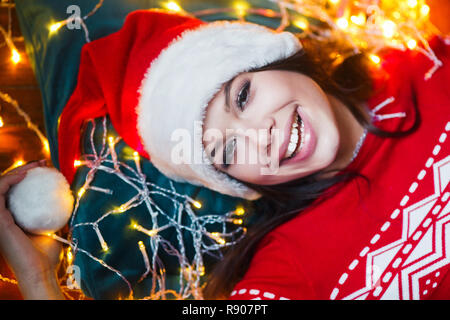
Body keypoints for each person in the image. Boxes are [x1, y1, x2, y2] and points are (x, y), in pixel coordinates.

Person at [1, 8, 449, 300]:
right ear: (238, 184)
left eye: (243, 96)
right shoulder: (288, 268)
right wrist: (40, 285)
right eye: (229, 150)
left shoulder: (421, 59)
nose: (262, 135)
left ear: (278, 59)